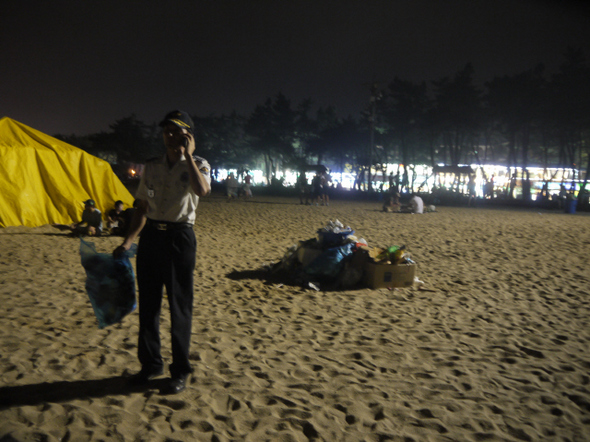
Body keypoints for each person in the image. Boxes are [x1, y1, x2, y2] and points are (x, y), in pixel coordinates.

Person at [113, 110, 211, 395]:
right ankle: (151, 364)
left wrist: (189, 156)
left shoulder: (200, 164)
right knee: (149, 306)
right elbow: (142, 207)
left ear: (188, 135)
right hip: (152, 237)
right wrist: (129, 240)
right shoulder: (152, 166)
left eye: (177, 131)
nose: (170, 136)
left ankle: (180, 370)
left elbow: (202, 191)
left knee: (179, 306)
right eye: (167, 131)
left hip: (180, 238)